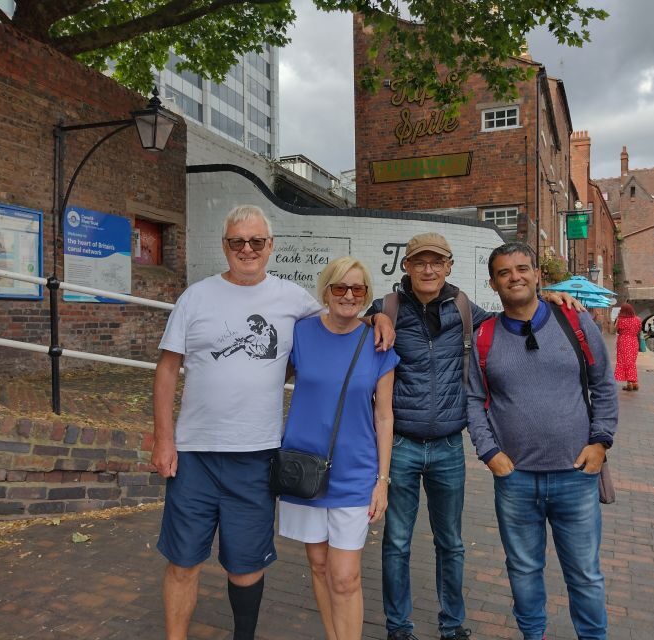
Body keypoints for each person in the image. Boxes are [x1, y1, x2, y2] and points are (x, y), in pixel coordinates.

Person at [151, 205, 394, 640]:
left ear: (270, 247)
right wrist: (164, 439)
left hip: (256, 454)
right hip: (195, 451)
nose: (247, 249)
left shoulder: (291, 300)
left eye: (256, 242)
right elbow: (167, 369)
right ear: (224, 246)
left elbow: (341, 312)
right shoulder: (196, 297)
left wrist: (378, 316)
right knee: (184, 560)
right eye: (237, 242)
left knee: (246, 565)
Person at [366, 232, 581, 640]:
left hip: (449, 446)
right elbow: (348, 326)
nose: (428, 269)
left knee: (451, 542)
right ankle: (398, 627)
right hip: (400, 447)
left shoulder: (467, 311)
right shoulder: (388, 309)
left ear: (449, 266)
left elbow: (514, 317)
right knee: (396, 543)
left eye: (437, 262)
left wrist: (547, 298)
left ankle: (452, 624)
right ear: (406, 267)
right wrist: (371, 317)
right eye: (419, 262)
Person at [466, 242, 618, 640]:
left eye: (522, 268)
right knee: (523, 571)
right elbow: (473, 398)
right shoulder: (484, 335)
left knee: (585, 574)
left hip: (576, 475)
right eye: (504, 272)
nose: (514, 277)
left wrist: (600, 443)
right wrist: (490, 452)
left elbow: (603, 384)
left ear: (537, 275)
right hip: (515, 481)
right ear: (493, 283)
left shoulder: (574, 322)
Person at [278, 256, 399, 640]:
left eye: (358, 289)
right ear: (326, 291)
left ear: (367, 295)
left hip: (355, 472)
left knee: (345, 577)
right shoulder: (299, 334)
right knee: (317, 564)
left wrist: (383, 480)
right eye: (340, 288)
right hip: (303, 469)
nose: (348, 295)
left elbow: (384, 417)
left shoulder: (378, 342)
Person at [614, 302, 642, 391]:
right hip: (634, 341)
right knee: (631, 362)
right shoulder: (638, 319)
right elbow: (639, 330)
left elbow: (616, 330)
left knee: (624, 362)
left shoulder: (621, 320)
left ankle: (629, 384)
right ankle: (634, 383)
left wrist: (617, 319)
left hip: (623, 341)